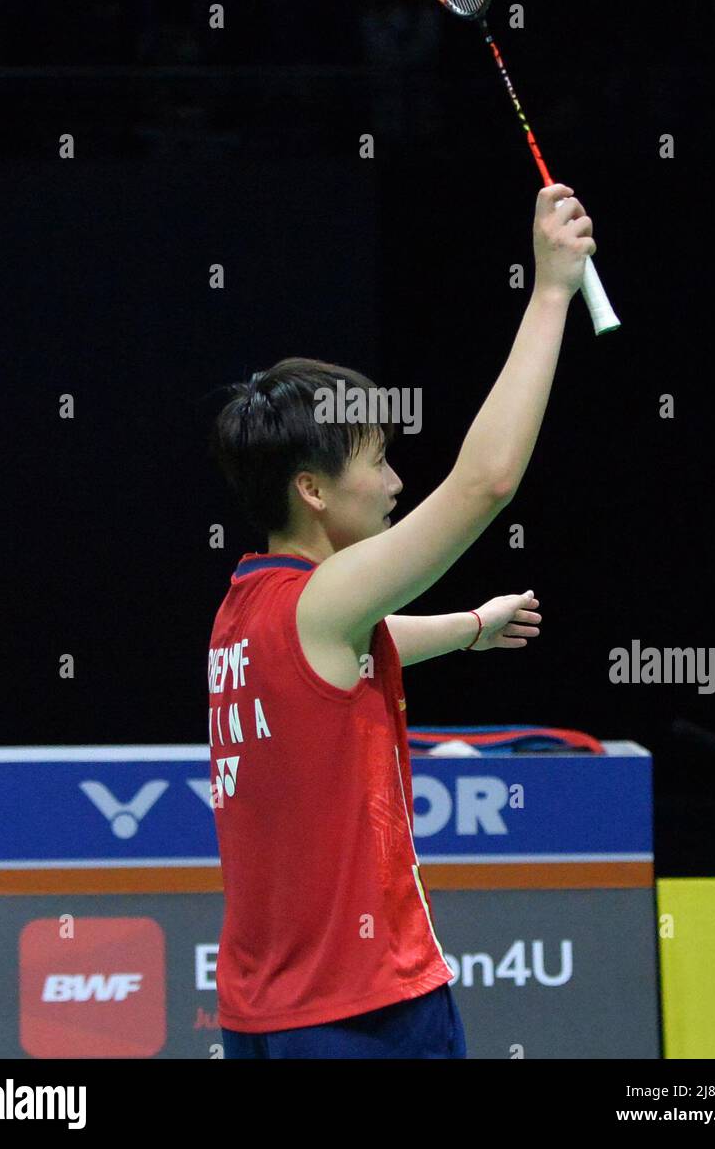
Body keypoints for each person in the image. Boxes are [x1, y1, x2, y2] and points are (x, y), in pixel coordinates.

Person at [207, 182, 595, 1058]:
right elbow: (483, 483)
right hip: (360, 1011)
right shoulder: (322, 600)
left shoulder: (248, 611)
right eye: (378, 462)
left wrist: (470, 625)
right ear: (312, 490)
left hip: (265, 1015)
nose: (394, 484)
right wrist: (549, 293)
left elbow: (354, 656)